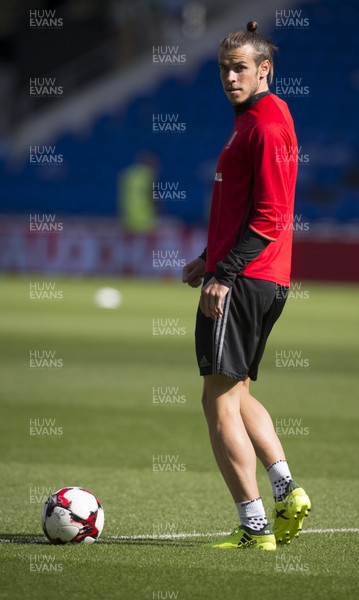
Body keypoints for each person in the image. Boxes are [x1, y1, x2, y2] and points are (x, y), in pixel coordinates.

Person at [182, 21, 311, 551]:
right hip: (256, 274)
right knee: (236, 392)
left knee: (216, 400)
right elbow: (244, 209)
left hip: (246, 279)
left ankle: (254, 525)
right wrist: (206, 260)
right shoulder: (256, 120)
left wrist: (224, 273)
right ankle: (287, 491)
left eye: (240, 68)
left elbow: (271, 214)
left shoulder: (264, 124)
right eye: (223, 68)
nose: (230, 77)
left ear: (265, 70)